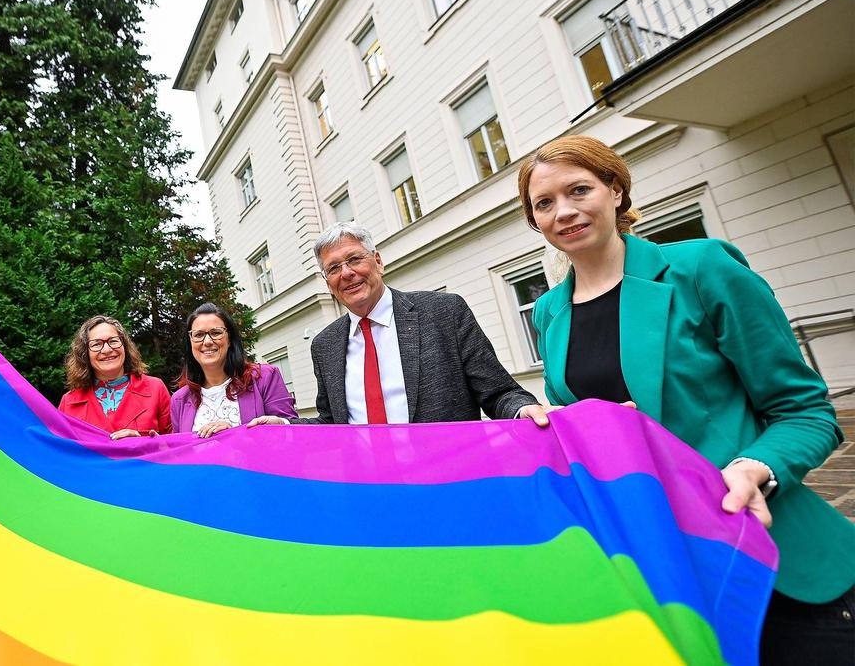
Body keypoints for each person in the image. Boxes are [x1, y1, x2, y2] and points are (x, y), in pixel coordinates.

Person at [518, 134, 855, 664]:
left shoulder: (700, 268)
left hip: (771, 559)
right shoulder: (548, 314)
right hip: (660, 571)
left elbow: (806, 411)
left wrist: (756, 468)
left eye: (578, 190)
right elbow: (589, 432)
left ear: (615, 190)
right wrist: (558, 429)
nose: (563, 211)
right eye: (544, 203)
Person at [249, 222, 548, 427]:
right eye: (334, 268)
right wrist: (285, 425)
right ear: (328, 282)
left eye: (355, 259)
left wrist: (523, 410)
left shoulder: (443, 312)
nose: (347, 273)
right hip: (372, 489)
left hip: (449, 484)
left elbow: (498, 393)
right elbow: (332, 421)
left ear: (378, 261)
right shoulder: (325, 345)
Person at [170, 303, 297, 437]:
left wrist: (233, 434)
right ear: (190, 342)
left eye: (216, 333)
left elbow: (294, 434)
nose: (207, 341)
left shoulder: (265, 378)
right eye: (198, 335)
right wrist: (158, 446)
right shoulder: (179, 399)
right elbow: (181, 453)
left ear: (229, 339)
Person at [58, 315, 171, 439]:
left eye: (113, 341)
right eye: (96, 344)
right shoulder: (68, 402)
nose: (107, 350)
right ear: (85, 354)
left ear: (125, 346)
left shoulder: (156, 388)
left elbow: (177, 447)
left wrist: (143, 443)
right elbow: (62, 453)